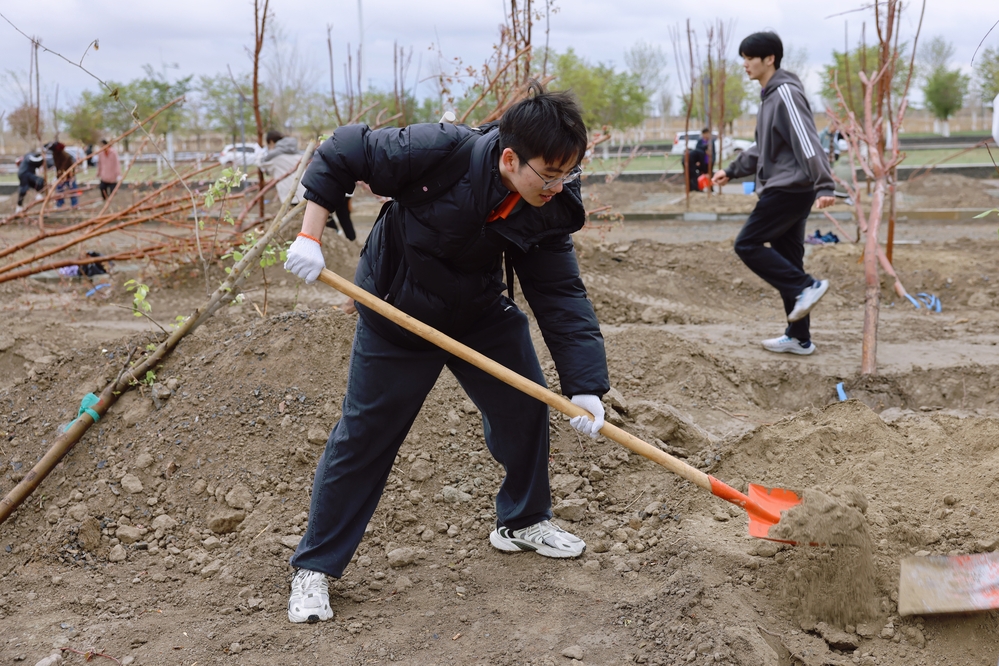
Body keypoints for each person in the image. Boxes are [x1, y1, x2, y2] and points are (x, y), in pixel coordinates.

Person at [282, 81, 609, 624]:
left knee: (523, 407)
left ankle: (522, 522)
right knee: (365, 436)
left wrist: (586, 386)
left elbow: (559, 295)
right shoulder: (438, 150)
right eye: (549, 176)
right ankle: (314, 567)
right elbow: (342, 149)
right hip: (397, 312)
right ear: (510, 158)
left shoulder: (550, 207)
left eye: (567, 174)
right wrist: (310, 236)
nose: (557, 187)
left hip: (479, 311)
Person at [712, 31, 836, 356]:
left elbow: (808, 142)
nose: (745, 65)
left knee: (747, 243)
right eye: (743, 58)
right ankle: (799, 337)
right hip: (787, 186)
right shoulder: (770, 97)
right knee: (788, 258)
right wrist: (734, 168)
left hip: (789, 188)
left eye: (750, 58)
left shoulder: (785, 94)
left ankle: (807, 286)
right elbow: (764, 148)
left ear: (770, 59)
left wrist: (824, 184)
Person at [260, 130, 308, 207]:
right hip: (306, 191)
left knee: (292, 216)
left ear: (271, 142)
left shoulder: (274, 157)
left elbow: (262, 164)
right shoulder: (297, 153)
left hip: (290, 194)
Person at [48, 142, 79, 209]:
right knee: (59, 190)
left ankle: (75, 205)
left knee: (72, 189)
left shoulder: (65, 156)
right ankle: (60, 204)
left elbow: (65, 166)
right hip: (61, 176)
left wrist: (63, 173)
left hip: (69, 175)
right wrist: (58, 175)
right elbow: (58, 166)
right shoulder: (55, 154)